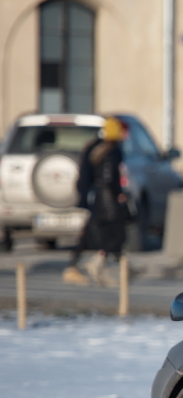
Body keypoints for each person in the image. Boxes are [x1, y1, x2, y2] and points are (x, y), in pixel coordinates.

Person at [63, 116, 129, 286]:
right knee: (117, 233)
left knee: (91, 232)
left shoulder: (93, 147)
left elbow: (84, 176)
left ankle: (77, 266)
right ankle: (100, 263)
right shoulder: (112, 150)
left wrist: (84, 196)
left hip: (95, 197)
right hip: (108, 199)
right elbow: (109, 177)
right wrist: (119, 193)